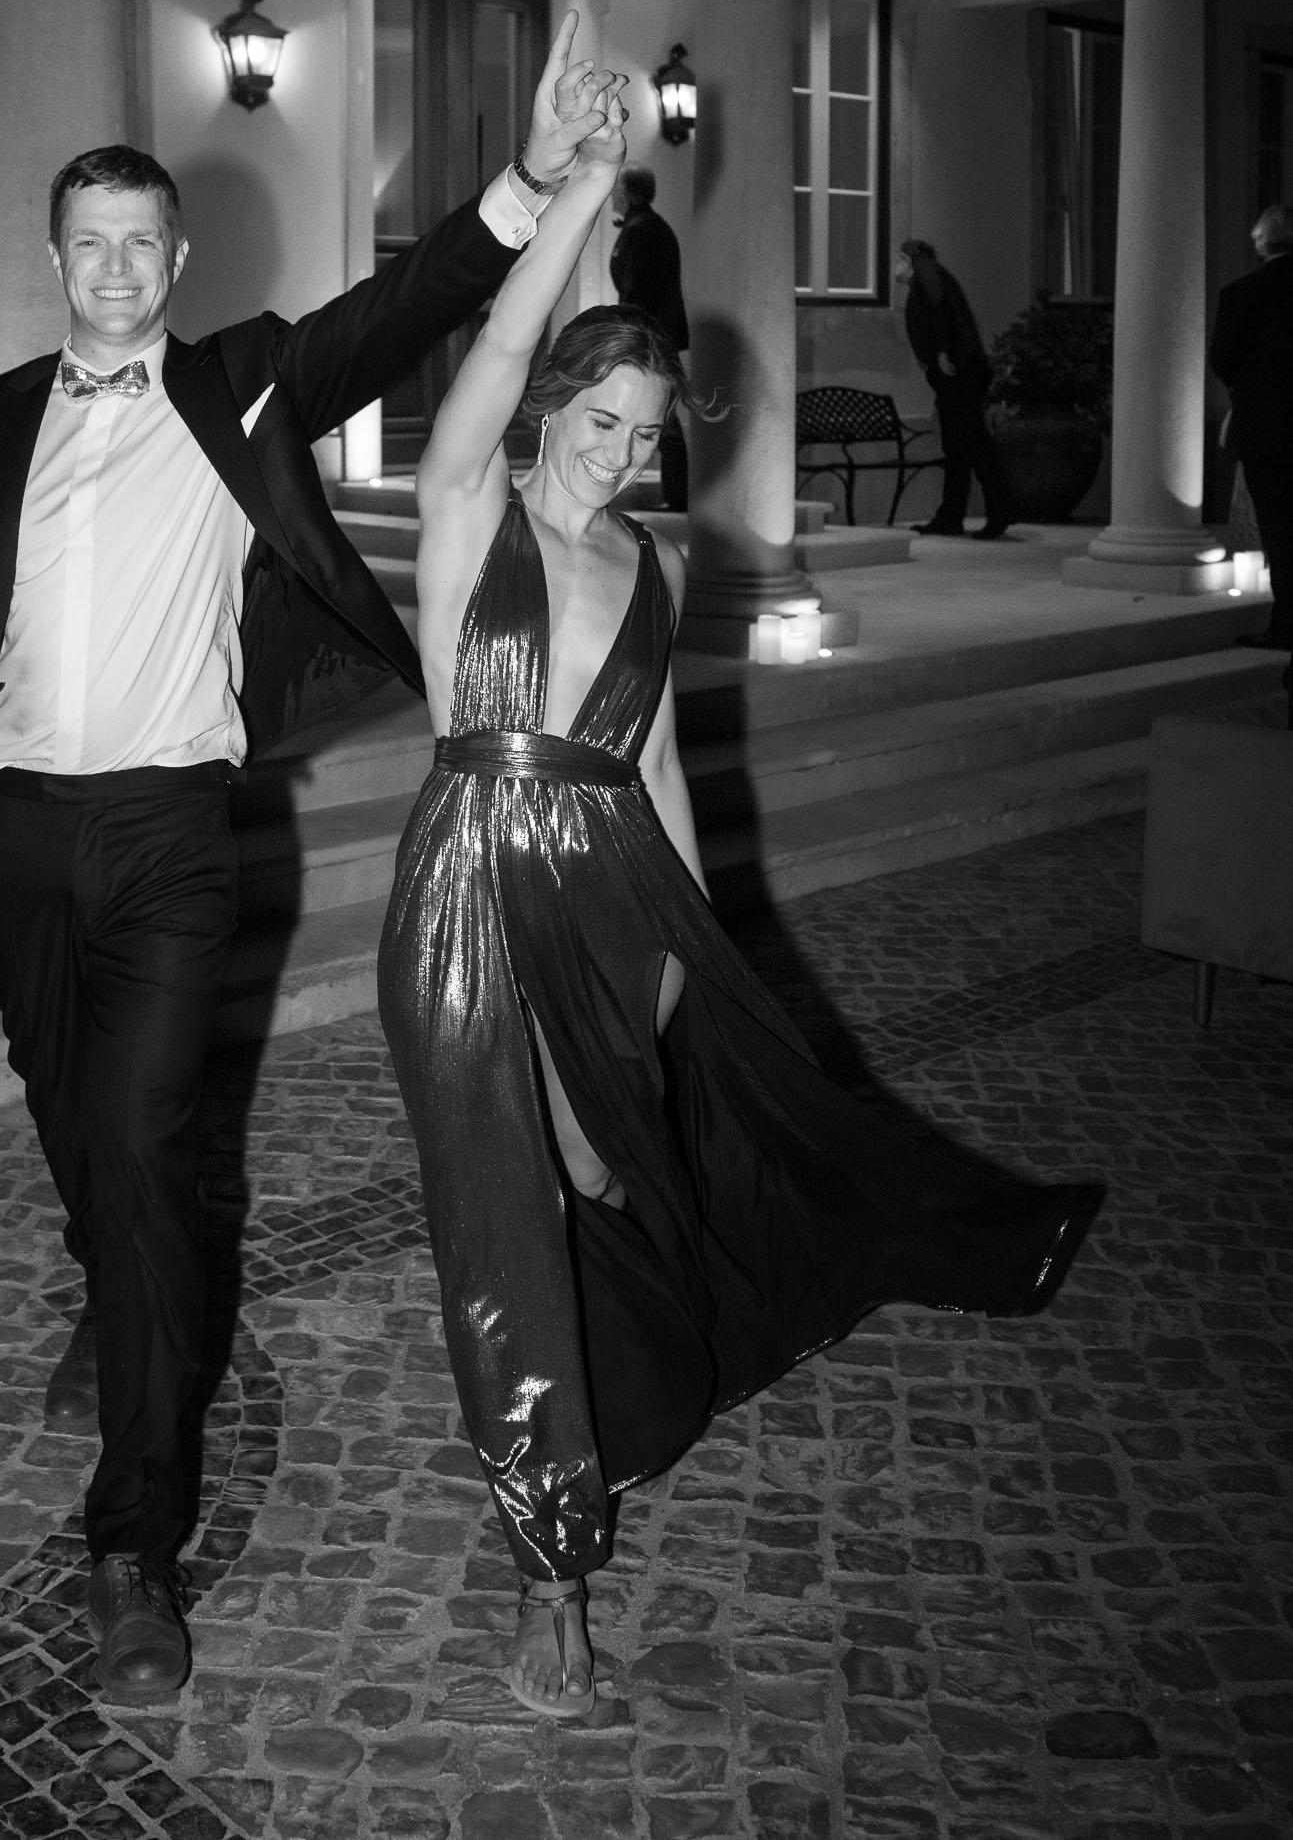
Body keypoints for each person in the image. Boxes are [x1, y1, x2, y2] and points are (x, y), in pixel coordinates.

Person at [0, 14, 621, 1709]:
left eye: (138, 246)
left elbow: (393, 315)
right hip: (17, 835)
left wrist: (531, 176)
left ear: (173, 260)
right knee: (74, 1128)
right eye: (84, 244)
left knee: (139, 1137)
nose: (111, 270)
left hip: (175, 833)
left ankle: (132, 1546)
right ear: (53, 257)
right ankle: (120, 1287)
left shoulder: (233, 378)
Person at [380, 146, 1101, 1723]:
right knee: (506, 1229)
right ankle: (551, 1573)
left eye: (645, 434)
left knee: (619, 1180)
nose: (619, 455)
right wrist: (578, 188)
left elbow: (652, 763)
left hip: (615, 888)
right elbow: (498, 336)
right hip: (471, 899)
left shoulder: (652, 558)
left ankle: (617, 1395)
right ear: (546, 406)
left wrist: (695, 951)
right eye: (598, 421)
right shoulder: (463, 511)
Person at [1209, 202, 1293, 653]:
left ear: (1261, 242)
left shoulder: (1242, 293)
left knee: (1280, 531)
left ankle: (1285, 626)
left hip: (1268, 430)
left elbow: (1222, 358)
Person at [895, 237, 1013, 539]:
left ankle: (998, 512)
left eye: (899, 259)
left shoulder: (926, 269)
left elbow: (937, 307)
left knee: (971, 443)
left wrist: (943, 350)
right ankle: (951, 516)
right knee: (958, 446)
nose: (895, 267)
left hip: (958, 373)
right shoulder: (929, 275)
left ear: (910, 259)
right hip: (958, 372)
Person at [609, 167, 689, 509]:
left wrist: (623, 339)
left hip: (650, 337)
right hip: (655, 333)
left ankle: (678, 493)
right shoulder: (647, 227)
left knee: (663, 414)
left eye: (618, 189)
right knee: (661, 412)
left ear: (628, 193)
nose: (613, 195)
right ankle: (676, 492)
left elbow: (635, 290)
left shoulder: (642, 231)